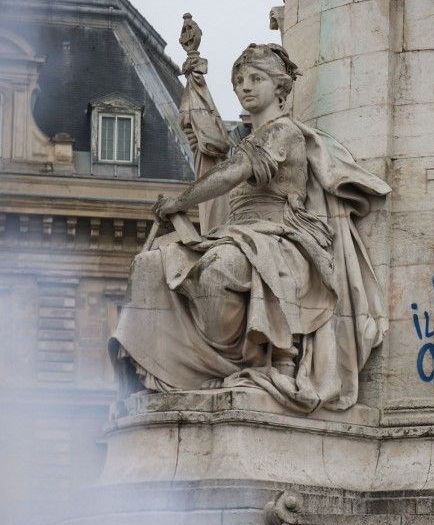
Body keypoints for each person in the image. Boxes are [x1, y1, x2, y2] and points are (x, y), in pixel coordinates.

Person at [110, 43, 391, 413]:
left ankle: (242, 362)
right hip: (238, 236)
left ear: (280, 87)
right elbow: (226, 163)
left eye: (256, 78)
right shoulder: (243, 142)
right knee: (149, 265)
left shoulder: (283, 133)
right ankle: (170, 371)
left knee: (218, 269)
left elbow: (235, 171)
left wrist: (180, 202)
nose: (245, 86)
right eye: (240, 80)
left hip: (281, 238)